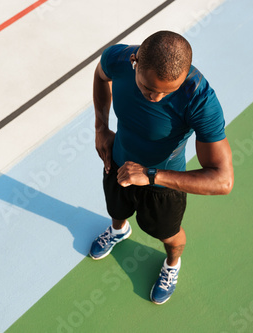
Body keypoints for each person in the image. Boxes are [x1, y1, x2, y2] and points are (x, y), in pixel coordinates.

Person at [89, 30, 234, 304]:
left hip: (163, 184)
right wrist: (100, 128)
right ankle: (119, 230)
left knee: (169, 235)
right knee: (116, 209)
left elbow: (223, 181)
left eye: (168, 91)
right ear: (135, 62)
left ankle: (172, 264)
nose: (156, 96)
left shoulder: (199, 99)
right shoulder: (118, 59)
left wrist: (150, 175)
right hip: (117, 160)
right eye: (147, 88)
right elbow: (99, 75)